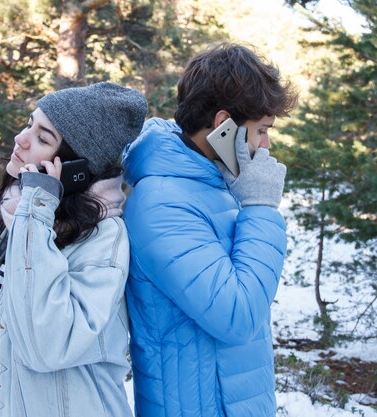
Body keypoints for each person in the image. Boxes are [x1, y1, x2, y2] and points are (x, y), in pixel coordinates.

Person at [0, 82, 148, 417]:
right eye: (30, 123)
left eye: (43, 138)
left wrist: (37, 208)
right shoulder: (19, 215)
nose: (21, 139)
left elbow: (47, 347)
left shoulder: (104, 237)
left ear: (74, 169)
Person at [122, 43, 298, 417]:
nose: (266, 145)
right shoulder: (161, 203)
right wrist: (261, 207)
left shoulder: (215, 182)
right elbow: (238, 317)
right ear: (223, 125)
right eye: (262, 131)